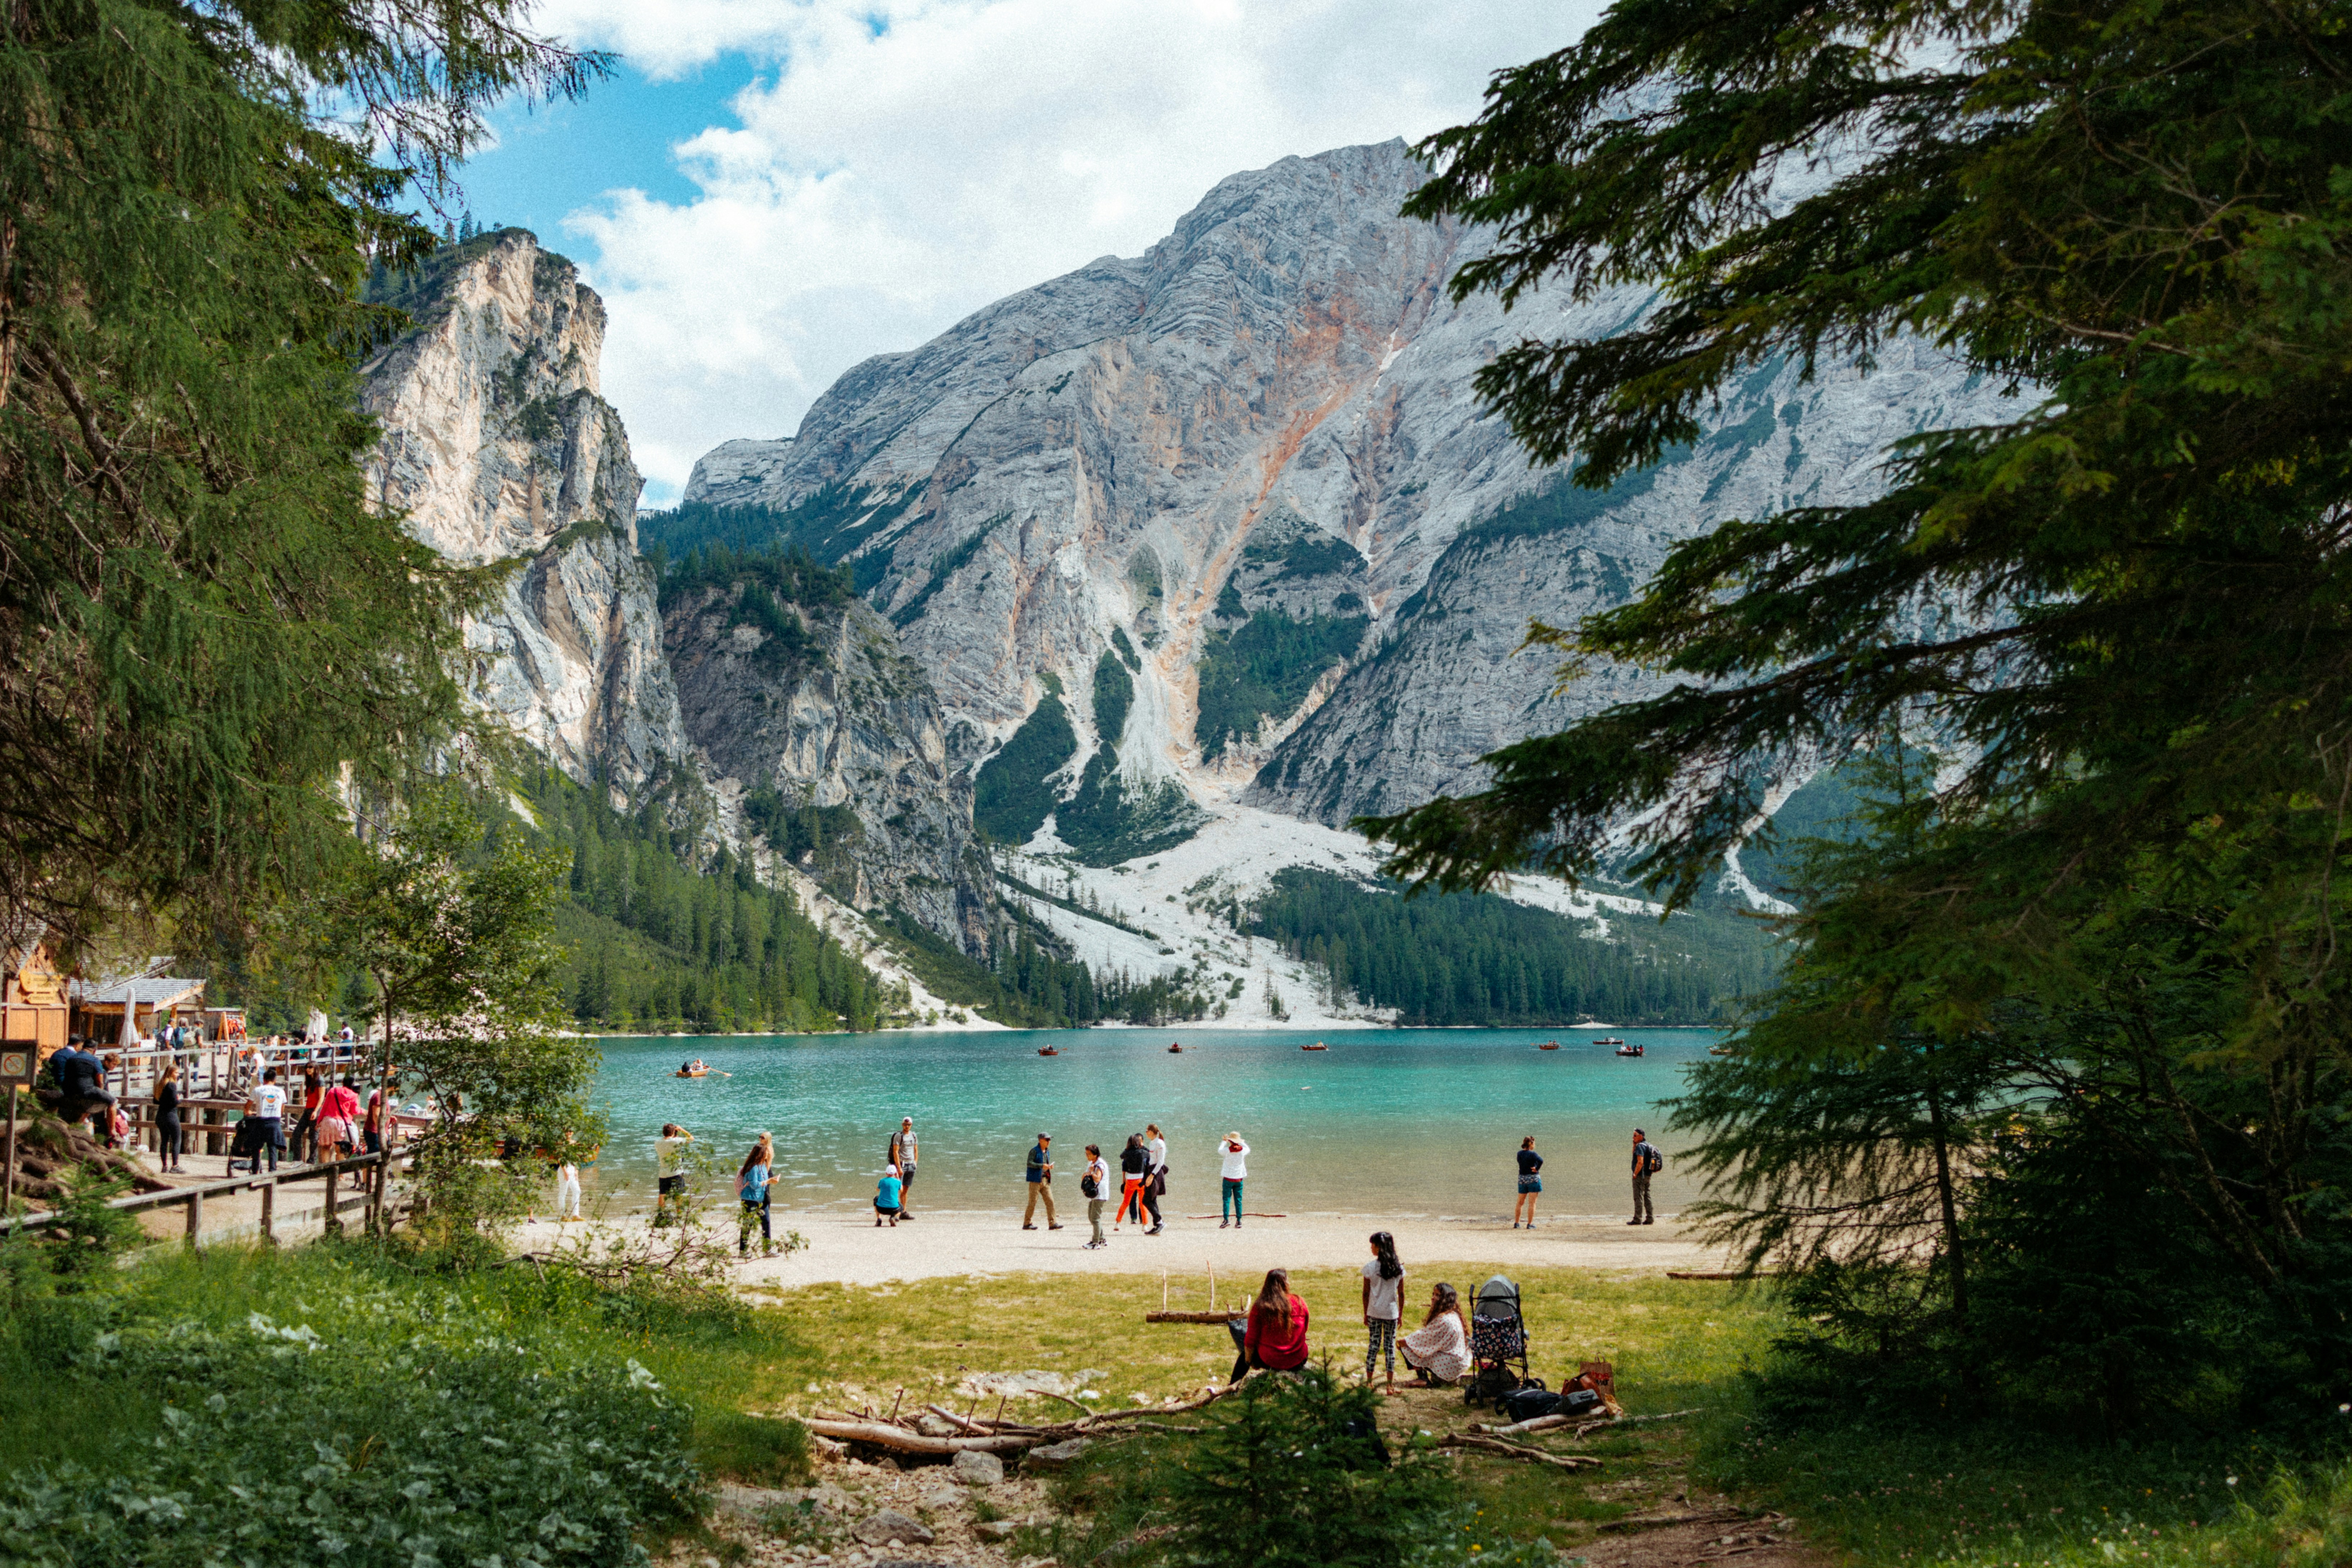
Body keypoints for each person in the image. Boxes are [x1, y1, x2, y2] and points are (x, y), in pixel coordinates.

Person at [1227, 1267, 1310, 1383]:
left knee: (1244, 1355)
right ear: (1285, 1283)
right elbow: (1304, 1329)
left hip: (1271, 1361)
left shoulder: (1261, 1306)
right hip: (1299, 1359)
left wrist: (1249, 1361)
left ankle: (1233, 1386)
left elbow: (1250, 1341)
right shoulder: (1299, 1302)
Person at [1399, 1283, 1472, 1388]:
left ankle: (1423, 1379)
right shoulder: (1454, 1315)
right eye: (1433, 1294)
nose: (1433, 1298)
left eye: (1437, 1295)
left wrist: (1402, 1343)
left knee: (1406, 1345)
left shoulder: (1443, 1320)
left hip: (1449, 1365)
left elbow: (1421, 1339)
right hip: (1459, 1363)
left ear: (1445, 1300)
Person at [1362, 1230, 1405, 1392]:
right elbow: (1401, 1294)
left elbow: (1366, 1293)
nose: (1371, 1248)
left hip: (1374, 1311)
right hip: (1391, 1313)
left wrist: (1366, 1312)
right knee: (1390, 1347)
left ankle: (1369, 1381)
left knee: (1373, 1345)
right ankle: (1390, 1384)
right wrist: (1400, 1313)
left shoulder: (1371, 1268)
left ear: (1379, 1247)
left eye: (1373, 1245)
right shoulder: (1398, 1268)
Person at [240, 1069, 286, 1174]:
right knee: (273, 1147)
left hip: (261, 1121)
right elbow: (282, 1110)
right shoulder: (281, 1092)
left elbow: (248, 1105)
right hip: (275, 1121)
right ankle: (272, 1172)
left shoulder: (258, 1090)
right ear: (275, 1080)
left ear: (264, 1079)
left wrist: (248, 1112)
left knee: (257, 1147)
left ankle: (255, 1171)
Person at [738, 1140, 774, 1254]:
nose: (768, 1154)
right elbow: (754, 1185)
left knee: (766, 1223)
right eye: (766, 1153)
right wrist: (769, 1181)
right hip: (750, 1200)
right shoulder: (753, 1168)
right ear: (761, 1154)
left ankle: (767, 1250)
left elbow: (763, 1183)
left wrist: (772, 1182)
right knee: (748, 1224)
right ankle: (743, 1251)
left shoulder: (763, 1166)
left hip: (761, 1199)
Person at [1022, 1133, 1061, 1230]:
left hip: (1046, 1180)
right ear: (1041, 1141)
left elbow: (1044, 1165)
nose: (1049, 1142)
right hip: (1035, 1181)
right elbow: (1029, 1163)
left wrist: (1048, 1167)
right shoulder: (1034, 1151)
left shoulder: (1047, 1152)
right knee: (1033, 1202)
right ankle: (1027, 1223)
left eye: (1050, 1140)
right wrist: (1042, 1166)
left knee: (1050, 1201)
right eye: (1047, 1140)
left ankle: (1053, 1223)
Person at [656, 1123, 692, 1224]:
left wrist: (674, 1136)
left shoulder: (657, 1143)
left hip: (663, 1173)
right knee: (679, 1195)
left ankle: (662, 1215)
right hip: (677, 1172)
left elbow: (668, 1143)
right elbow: (691, 1138)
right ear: (673, 1132)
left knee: (662, 1194)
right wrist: (681, 1130)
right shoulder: (677, 1141)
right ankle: (679, 1218)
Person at [1113, 1132, 1148, 1232]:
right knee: (1143, 1203)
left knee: (1125, 1202)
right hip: (1141, 1180)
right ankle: (1145, 1225)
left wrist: (1127, 1148)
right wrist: (1143, 1146)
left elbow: (1121, 1156)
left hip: (1130, 1181)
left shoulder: (1127, 1153)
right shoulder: (1143, 1152)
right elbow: (1150, 1154)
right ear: (1139, 1143)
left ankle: (1118, 1223)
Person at [153, 1062, 184, 1173]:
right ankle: (175, 1166)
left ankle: (165, 1166)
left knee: (164, 1141)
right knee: (176, 1140)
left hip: (160, 1116)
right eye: (176, 1072)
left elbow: (156, 1101)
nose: (178, 1074)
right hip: (171, 1115)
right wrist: (179, 1099)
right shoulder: (172, 1085)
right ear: (171, 1073)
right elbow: (175, 1102)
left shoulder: (160, 1084)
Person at [1082, 1143, 1111, 1249]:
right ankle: (1102, 1239)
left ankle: (1095, 1243)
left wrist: (1091, 1172)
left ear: (1095, 1155)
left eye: (1089, 1154)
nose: (1087, 1156)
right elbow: (1085, 1176)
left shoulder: (1100, 1164)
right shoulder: (1092, 1163)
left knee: (1095, 1218)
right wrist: (1086, 1174)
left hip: (1100, 1194)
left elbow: (1098, 1178)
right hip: (1094, 1194)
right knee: (1092, 1217)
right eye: (1086, 1154)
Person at [889, 1117, 919, 1219]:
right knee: (897, 1189)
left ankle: (903, 1212)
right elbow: (895, 1152)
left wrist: (916, 1162)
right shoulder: (899, 1136)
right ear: (902, 1125)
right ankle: (895, 1213)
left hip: (911, 1165)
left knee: (905, 1190)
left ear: (911, 1125)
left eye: (909, 1125)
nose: (907, 1126)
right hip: (902, 1165)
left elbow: (916, 1149)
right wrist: (899, 1168)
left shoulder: (914, 1136)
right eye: (905, 1125)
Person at [1218, 1131, 1249, 1228]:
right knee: (1238, 1200)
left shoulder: (1227, 1151)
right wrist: (1241, 1141)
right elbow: (1248, 1148)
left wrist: (1224, 1141)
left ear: (1230, 1141)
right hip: (1239, 1179)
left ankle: (1226, 1220)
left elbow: (1219, 1150)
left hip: (1228, 1178)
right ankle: (1239, 1221)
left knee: (1227, 1199)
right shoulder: (1243, 1150)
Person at [292, 1066, 323, 1162]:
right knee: (296, 1133)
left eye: (310, 1068)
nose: (308, 1069)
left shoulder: (320, 1081)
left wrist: (316, 1111)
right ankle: (297, 1159)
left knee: (314, 1137)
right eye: (307, 1068)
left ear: (316, 1069)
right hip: (308, 1109)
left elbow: (321, 1098)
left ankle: (312, 1160)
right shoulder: (310, 1081)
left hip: (315, 1110)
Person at [1630, 1128, 1660, 1226]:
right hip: (1648, 1175)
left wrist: (1635, 1173)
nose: (1633, 1137)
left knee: (1638, 1197)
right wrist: (1634, 1144)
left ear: (1641, 1136)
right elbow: (1635, 1155)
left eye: (1635, 1136)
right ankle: (1650, 1218)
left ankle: (1638, 1219)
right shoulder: (1648, 1145)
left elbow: (1640, 1161)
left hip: (1640, 1175)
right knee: (1647, 1196)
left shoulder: (1640, 1147)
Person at [1143, 1123, 1168, 1236]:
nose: (1146, 1133)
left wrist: (1152, 1175)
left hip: (1156, 1173)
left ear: (1153, 1131)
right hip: (1150, 1170)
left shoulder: (1160, 1143)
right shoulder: (1152, 1143)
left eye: (1147, 1130)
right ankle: (1157, 1224)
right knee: (1152, 1199)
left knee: (1146, 1200)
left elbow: (1161, 1161)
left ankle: (1160, 1221)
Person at [1514, 1136, 1543, 1228]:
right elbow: (1541, 1160)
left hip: (1522, 1178)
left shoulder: (1519, 1154)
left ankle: (1517, 1223)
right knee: (1532, 1203)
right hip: (1532, 1179)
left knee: (1520, 1202)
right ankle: (1530, 1224)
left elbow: (1520, 1162)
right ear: (1531, 1144)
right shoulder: (1533, 1154)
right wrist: (1536, 1168)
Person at [553, 1138, 583, 1222]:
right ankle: (563, 1215)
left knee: (577, 1191)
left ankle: (576, 1215)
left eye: (571, 1131)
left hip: (572, 1169)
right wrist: (565, 1171)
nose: (569, 1133)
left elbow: (576, 1160)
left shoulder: (574, 1147)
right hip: (564, 1169)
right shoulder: (562, 1145)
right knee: (563, 1192)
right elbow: (560, 1160)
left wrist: (576, 1170)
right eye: (568, 1131)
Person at [875, 1162, 903, 1226]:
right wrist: (898, 1179)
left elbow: (877, 1189)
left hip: (881, 1209)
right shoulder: (898, 1182)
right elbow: (901, 1191)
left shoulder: (882, 1181)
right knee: (901, 1207)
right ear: (896, 1174)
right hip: (894, 1209)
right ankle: (894, 1217)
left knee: (876, 1199)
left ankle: (879, 1219)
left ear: (886, 1173)